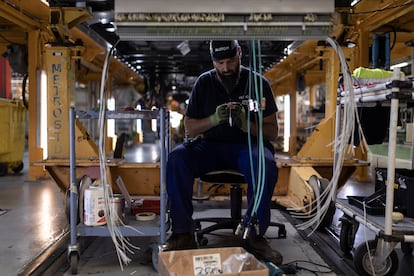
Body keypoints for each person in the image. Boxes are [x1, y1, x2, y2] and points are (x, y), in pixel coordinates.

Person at [164, 40, 281, 265]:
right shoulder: (204, 83)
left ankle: (253, 234)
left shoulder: (258, 83)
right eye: (220, 63)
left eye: (231, 61)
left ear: (239, 53)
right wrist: (214, 119)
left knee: (264, 164)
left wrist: (247, 126)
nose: (226, 68)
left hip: (248, 146)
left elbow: (272, 131)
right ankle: (182, 233)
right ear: (213, 61)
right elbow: (189, 127)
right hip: (211, 146)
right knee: (177, 158)